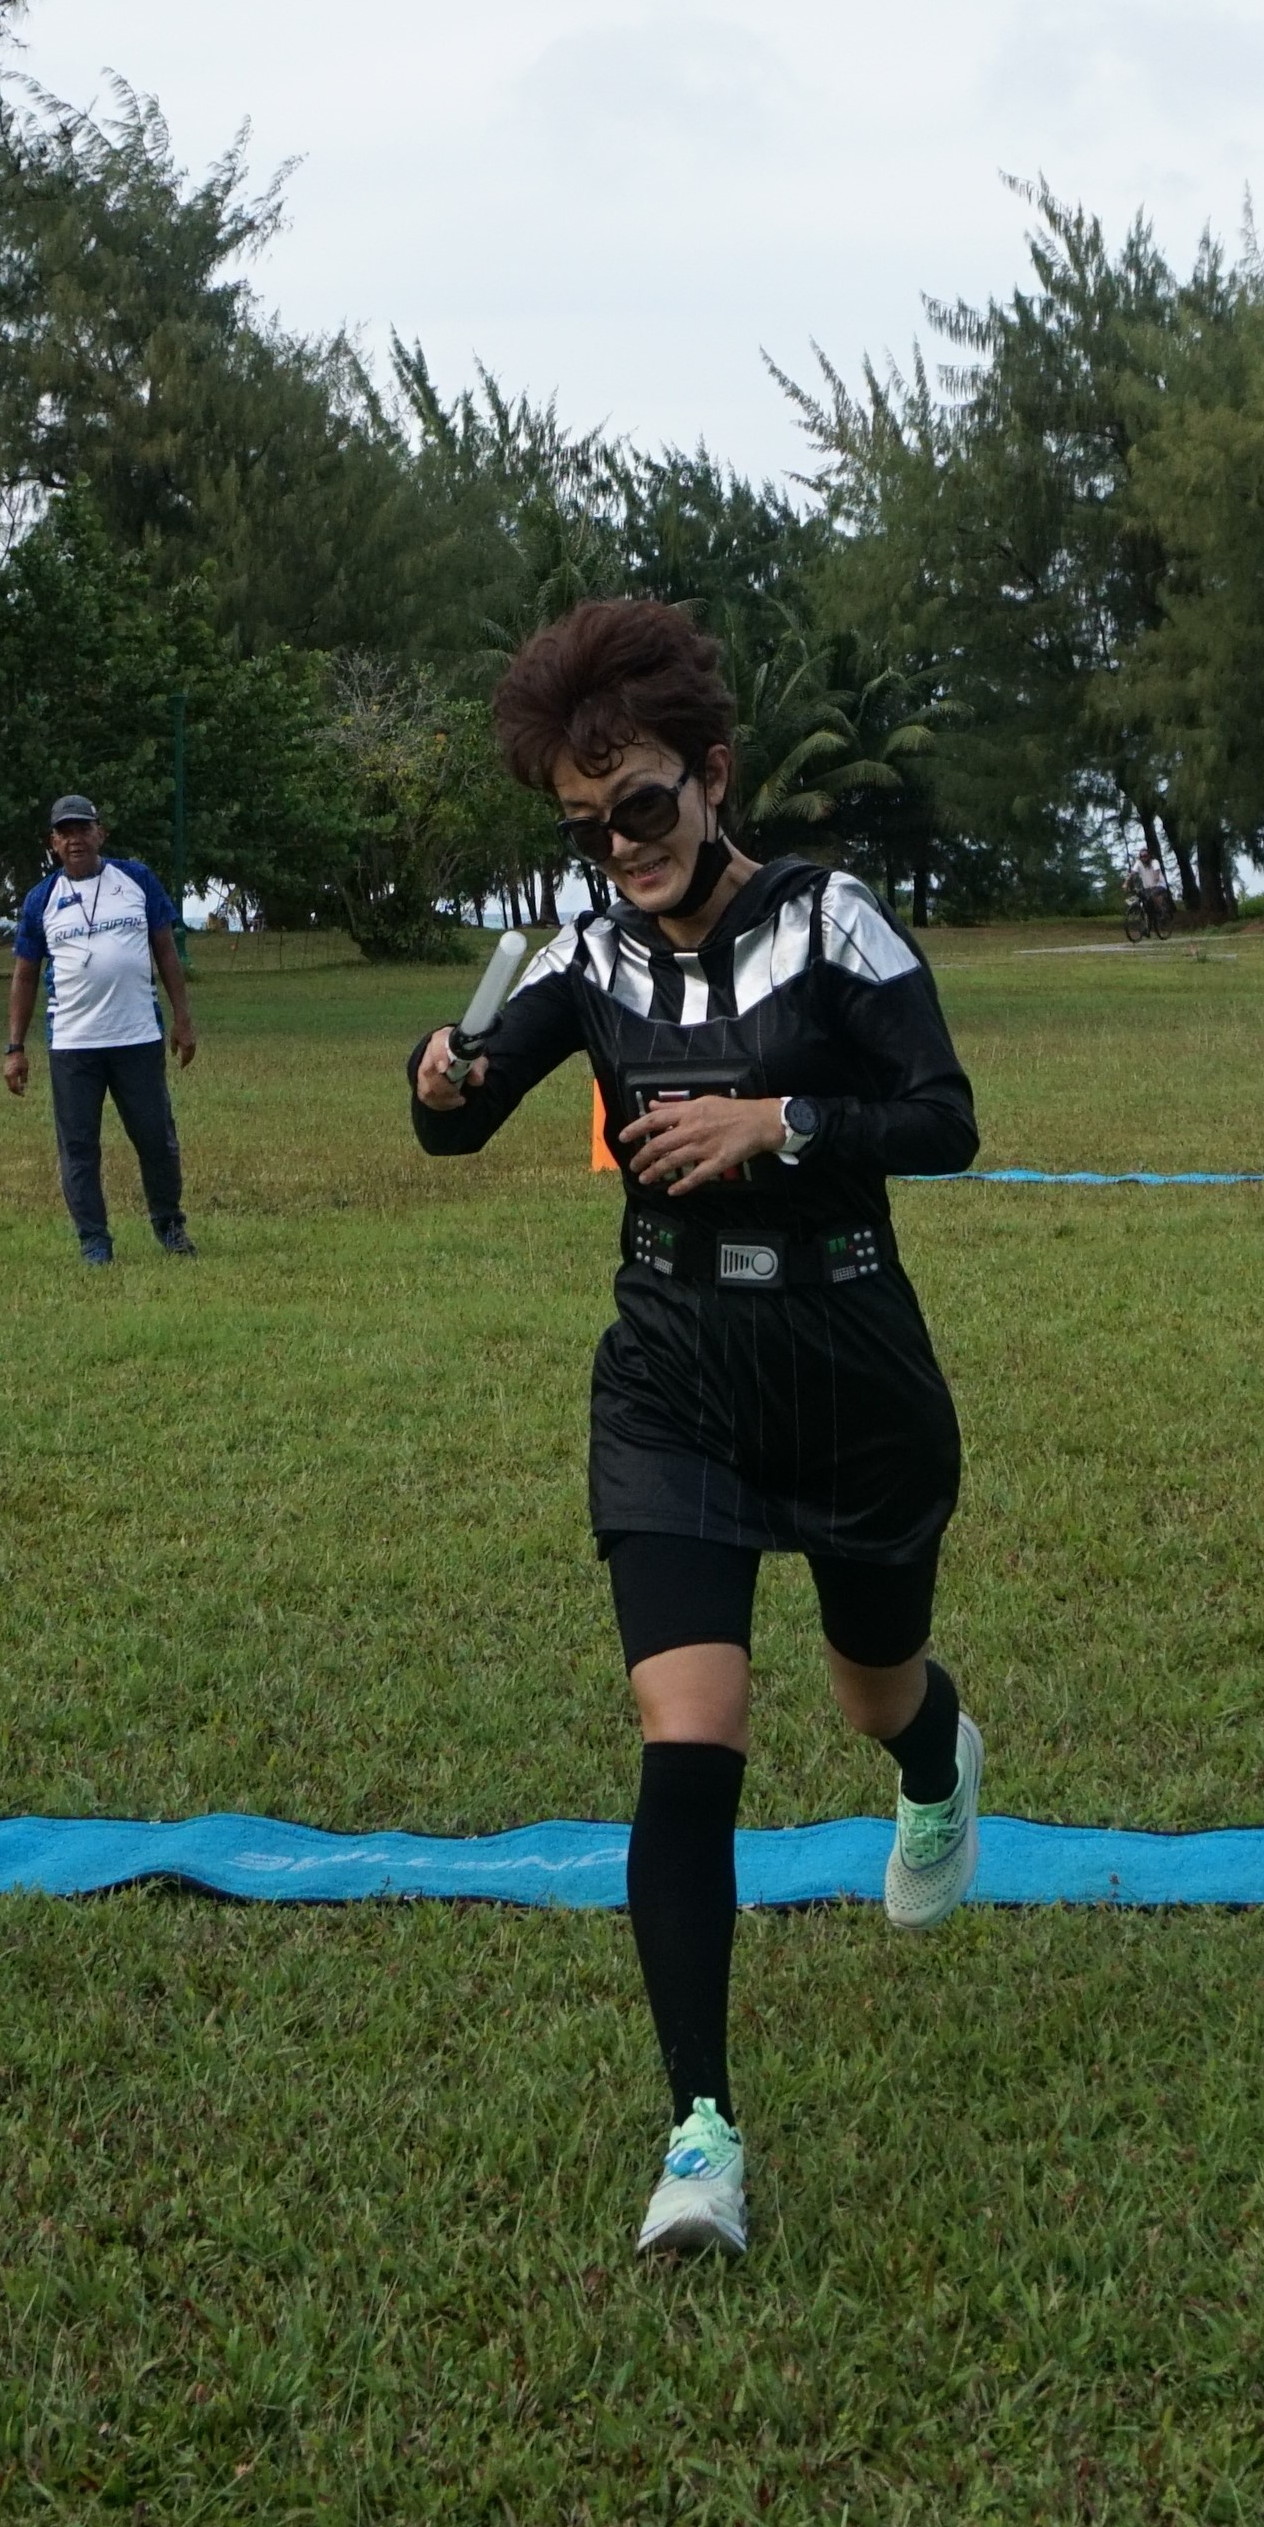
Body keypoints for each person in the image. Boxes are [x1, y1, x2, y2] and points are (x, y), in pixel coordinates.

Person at [409, 600, 983, 2260]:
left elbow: (942, 1118)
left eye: (643, 805)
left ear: (713, 776)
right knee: (689, 1734)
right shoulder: (584, 953)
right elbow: (456, 1121)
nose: (619, 847)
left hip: (848, 1370)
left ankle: (933, 1764)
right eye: (584, 826)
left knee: (870, 1687)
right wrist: (436, 1080)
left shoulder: (833, 922)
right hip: (669, 1380)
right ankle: (699, 2137)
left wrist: (775, 1120)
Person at [3, 795, 198, 1264]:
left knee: (156, 1138)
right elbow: (25, 975)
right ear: (53, 843)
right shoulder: (41, 899)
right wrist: (15, 1047)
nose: (75, 840)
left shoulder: (136, 880)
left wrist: (183, 1019)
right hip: (74, 1045)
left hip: (137, 1038)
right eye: (65, 832)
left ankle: (169, 1225)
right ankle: (94, 1241)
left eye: (83, 829)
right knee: (79, 1148)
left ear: (100, 834)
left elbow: (166, 951)